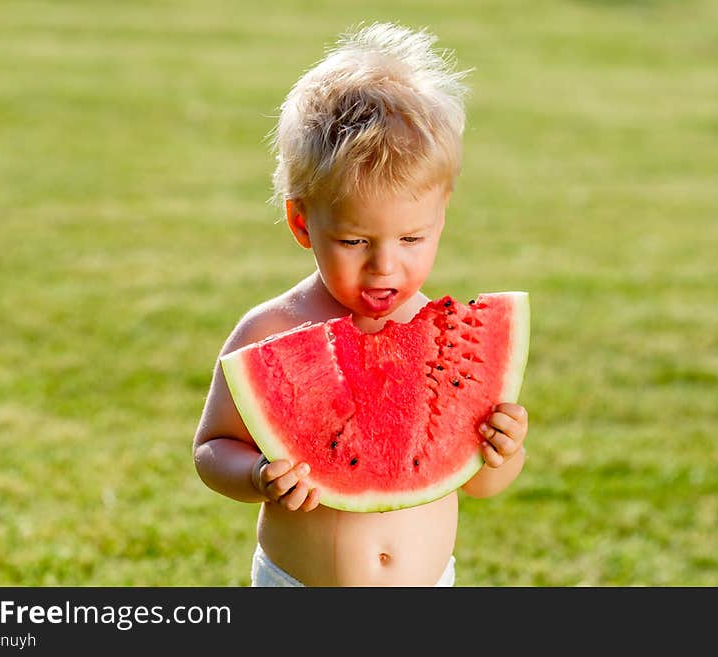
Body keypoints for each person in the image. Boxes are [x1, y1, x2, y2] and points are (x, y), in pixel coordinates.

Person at [193, 21, 529, 587]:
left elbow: (478, 482)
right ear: (303, 223)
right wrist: (255, 474)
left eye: (412, 239)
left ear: (441, 215)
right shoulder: (272, 330)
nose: (384, 266)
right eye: (354, 242)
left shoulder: (451, 342)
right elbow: (210, 449)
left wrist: (505, 452)